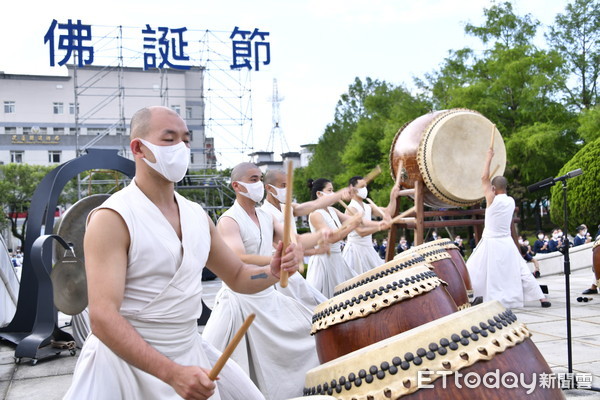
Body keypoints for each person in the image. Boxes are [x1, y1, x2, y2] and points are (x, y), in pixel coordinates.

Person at [64, 106, 299, 399]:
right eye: (169, 139)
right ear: (138, 147)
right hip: (124, 368)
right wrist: (172, 374)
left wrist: (273, 272)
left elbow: (238, 276)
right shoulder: (111, 218)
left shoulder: (197, 215)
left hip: (190, 353)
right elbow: (102, 317)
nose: (182, 148)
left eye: (186, 140)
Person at [202, 162, 321, 400]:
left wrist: (318, 239)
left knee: (312, 333)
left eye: (259, 178)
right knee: (212, 367)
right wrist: (274, 261)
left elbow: (292, 239)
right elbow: (237, 257)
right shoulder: (229, 220)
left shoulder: (266, 216)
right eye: (253, 179)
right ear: (237, 185)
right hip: (240, 300)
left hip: (268, 295)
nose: (258, 184)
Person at [466, 148, 550, 309]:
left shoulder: (492, 200)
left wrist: (488, 158)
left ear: (493, 188)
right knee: (522, 270)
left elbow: (484, 177)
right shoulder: (511, 201)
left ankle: (466, 297)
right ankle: (541, 299)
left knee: (472, 268)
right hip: (506, 241)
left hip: (491, 242)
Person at [260, 169, 353, 308]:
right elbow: (289, 243)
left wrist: (340, 194)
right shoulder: (264, 214)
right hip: (278, 274)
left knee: (321, 306)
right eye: (284, 186)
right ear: (268, 188)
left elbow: (314, 204)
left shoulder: (288, 208)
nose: (288, 190)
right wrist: (315, 249)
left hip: (293, 272)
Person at [305, 178, 362, 298]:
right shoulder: (315, 214)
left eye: (333, 190)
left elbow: (354, 220)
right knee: (325, 299)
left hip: (337, 259)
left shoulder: (333, 210)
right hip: (324, 261)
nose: (333, 193)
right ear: (319, 194)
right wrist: (352, 226)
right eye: (329, 190)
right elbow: (332, 238)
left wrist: (359, 217)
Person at [342, 176, 397, 274]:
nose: (365, 189)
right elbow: (361, 232)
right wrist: (379, 226)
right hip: (355, 251)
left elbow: (389, 212)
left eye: (365, 186)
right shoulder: (351, 209)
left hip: (368, 248)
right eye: (362, 186)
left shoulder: (368, 207)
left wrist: (393, 197)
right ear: (352, 188)